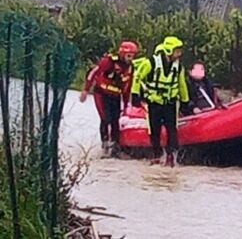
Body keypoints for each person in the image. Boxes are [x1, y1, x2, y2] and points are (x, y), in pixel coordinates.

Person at [131, 36, 189, 167]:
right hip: (154, 102)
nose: (179, 54)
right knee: (155, 130)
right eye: (177, 51)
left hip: (170, 102)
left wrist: (185, 101)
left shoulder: (178, 67)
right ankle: (156, 154)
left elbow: (182, 84)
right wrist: (135, 94)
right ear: (169, 50)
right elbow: (137, 77)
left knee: (172, 130)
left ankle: (170, 156)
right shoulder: (150, 62)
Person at [79, 41, 138, 157]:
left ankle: (115, 147)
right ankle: (105, 146)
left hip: (116, 96)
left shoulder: (131, 67)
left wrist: (126, 105)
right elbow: (93, 73)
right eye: (129, 56)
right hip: (101, 94)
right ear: (122, 53)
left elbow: (128, 86)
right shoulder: (109, 62)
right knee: (105, 118)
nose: (131, 59)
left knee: (116, 121)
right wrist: (85, 90)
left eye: (133, 56)